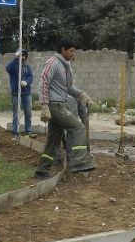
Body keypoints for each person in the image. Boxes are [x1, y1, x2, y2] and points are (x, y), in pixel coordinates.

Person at [34, 39, 95, 178]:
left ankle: (42, 169)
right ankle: (78, 162)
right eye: (71, 51)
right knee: (78, 128)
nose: (73, 54)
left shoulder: (65, 66)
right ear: (63, 50)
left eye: (74, 51)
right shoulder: (53, 63)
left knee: (54, 140)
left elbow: (68, 88)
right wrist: (44, 105)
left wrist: (81, 94)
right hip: (54, 106)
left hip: (59, 104)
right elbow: (43, 82)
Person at [5, 49, 35, 138]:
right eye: (21, 55)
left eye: (24, 55)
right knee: (16, 114)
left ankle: (28, 130)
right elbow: (8, 68)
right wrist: (16, 58)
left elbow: (30, 76)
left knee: (28, 113)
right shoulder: (13, 66)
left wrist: (26, 82)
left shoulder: (27, 67)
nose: (23, 57)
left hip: (26, 93)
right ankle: (15, 132)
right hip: (16, 93)